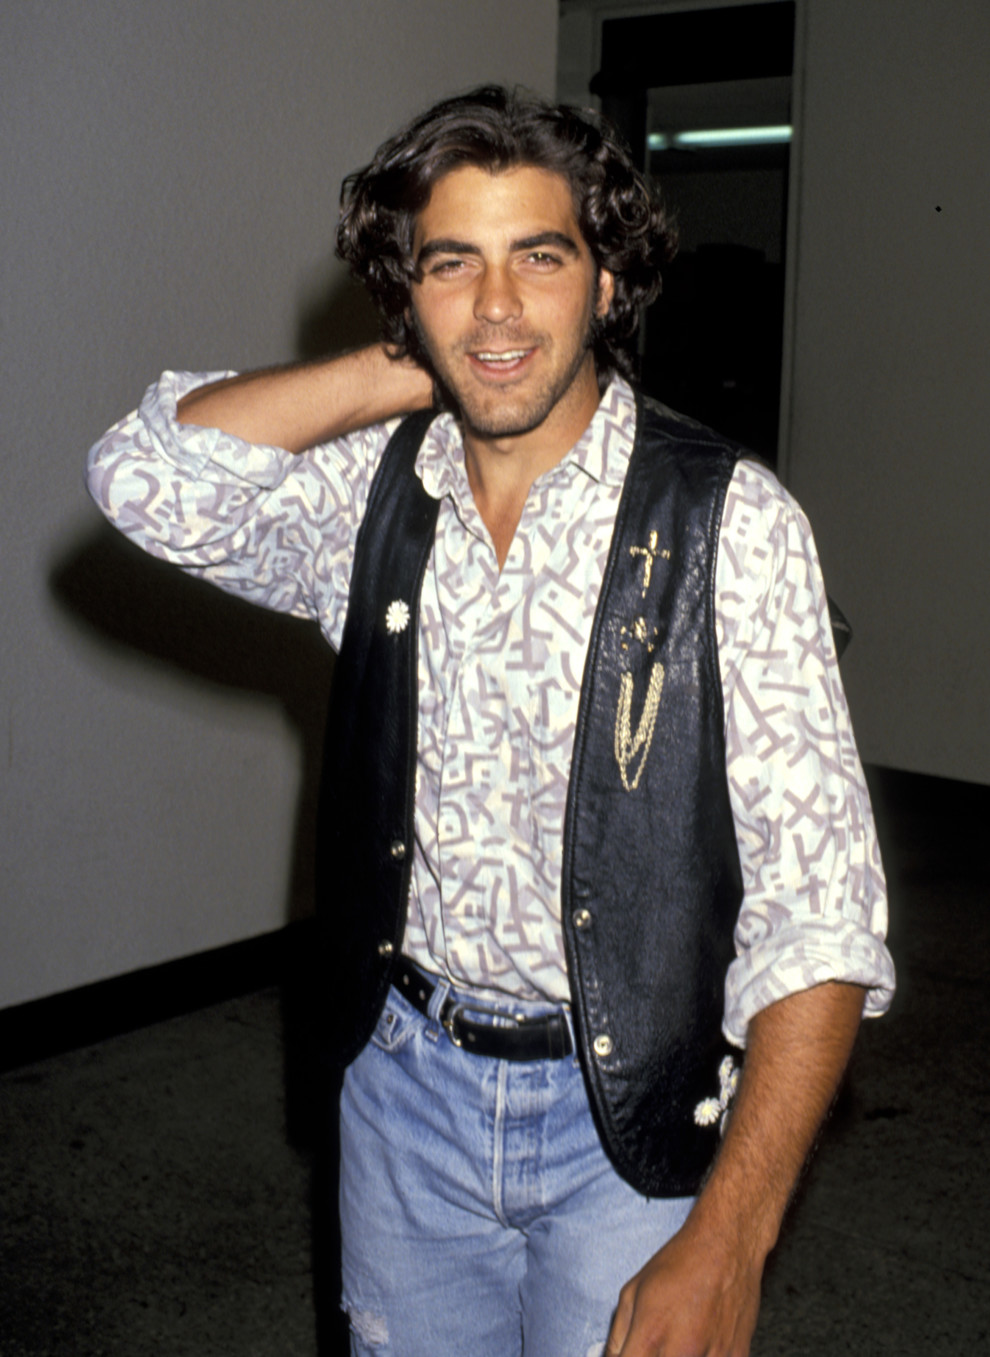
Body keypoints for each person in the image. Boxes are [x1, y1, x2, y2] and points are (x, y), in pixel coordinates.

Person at [87, 85, 895, 1357]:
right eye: (452, 264)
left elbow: (822, 914)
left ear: (608, 283)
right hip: (402, 1086)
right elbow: (141, 475)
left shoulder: (729, 525)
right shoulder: (373, 498)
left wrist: (734, 1235)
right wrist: (421, 360)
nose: (501, 305)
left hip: (628, 1111)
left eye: (541, 258)